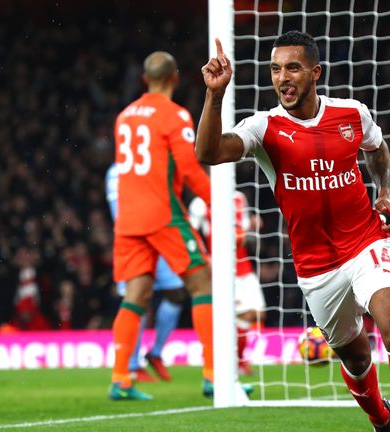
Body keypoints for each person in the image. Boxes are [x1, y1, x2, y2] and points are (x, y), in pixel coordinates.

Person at [196, 32, 390, 431]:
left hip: (366, 242)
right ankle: (382, 422)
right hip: (316, 268)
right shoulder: (263, 128)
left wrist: (384, 191)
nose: (282, 78)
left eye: (292, 67)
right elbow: (208, 153)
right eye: (275, 69)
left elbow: (377, 148)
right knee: (357, 360)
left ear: (315, 72)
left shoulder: (351, 113)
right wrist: (214, 95)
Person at [108, 51, 216, 401]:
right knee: (203, 284)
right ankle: (215, 375)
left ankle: (121, 378)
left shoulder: (124, 117)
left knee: (135, 296)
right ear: (175, 78)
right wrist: (218, 202)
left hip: (128, 220)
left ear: (144, 79)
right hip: (162, 214)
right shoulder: (175, 115)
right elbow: (188, 168)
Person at [106, 162, 187, 382]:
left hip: (160, 240)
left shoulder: (150, 165)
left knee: (177, 292)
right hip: (136, 243)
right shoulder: (117, 172)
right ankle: (130, 366)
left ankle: (156, 352)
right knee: (138, 300)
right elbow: (118, 212)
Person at [189, 190, 267, 376]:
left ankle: (234, 361)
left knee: (257, 313)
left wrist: (253, 227)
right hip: (221, 267)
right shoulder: (200, 201)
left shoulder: (240, 197)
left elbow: (243, 230)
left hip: (244, 265)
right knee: (235, 315)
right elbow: (192, 231)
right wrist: (203, 256)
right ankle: (231, 362)